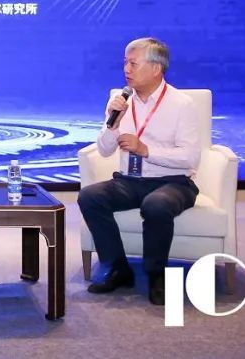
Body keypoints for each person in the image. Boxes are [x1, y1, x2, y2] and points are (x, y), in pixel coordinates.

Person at [77, 37, 201, 306]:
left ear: (156, 68)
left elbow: (190, 157)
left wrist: (145, 150)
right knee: (89, 196)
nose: (126, 69)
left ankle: (157, 275)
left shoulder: (182, 104)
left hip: (174, 182)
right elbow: (105, 150)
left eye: (133, 63)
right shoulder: (121, 101)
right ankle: (118, 268)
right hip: (130, 180)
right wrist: (112, 124)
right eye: (125, 63)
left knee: (156, 204)